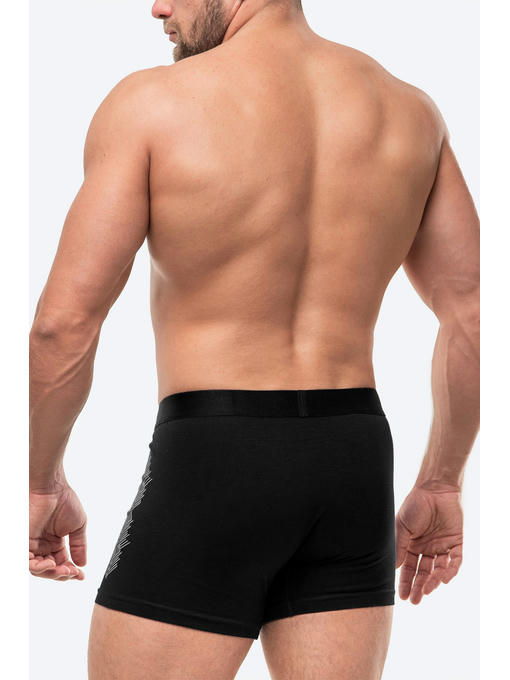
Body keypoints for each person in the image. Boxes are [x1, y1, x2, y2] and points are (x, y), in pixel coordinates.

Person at [29, 1, 480, 678]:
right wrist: (442, 482)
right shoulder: (410, 111)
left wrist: (41, 481)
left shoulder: (151, 103)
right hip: (354, 457)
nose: (158, 7)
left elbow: (62, 324)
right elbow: (472, 316)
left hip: (217, 456)